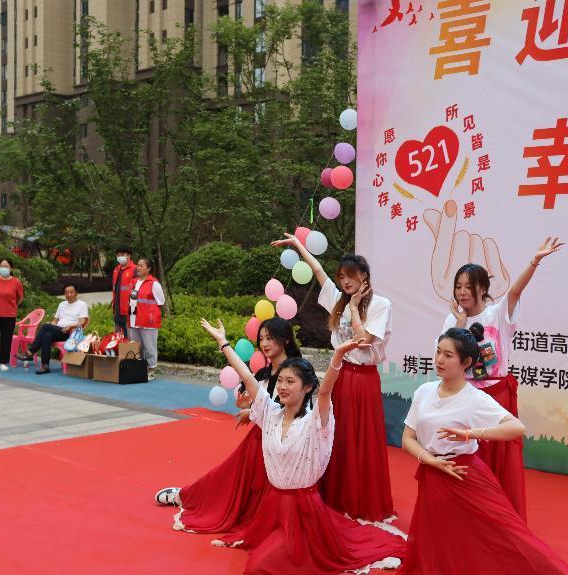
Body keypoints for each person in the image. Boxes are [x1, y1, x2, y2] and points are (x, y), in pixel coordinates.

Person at [200, 318, 406, 575]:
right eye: (281, 381)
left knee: (259, 567)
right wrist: (223, 342)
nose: (283, 387)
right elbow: (245, 375)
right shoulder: (270, 413)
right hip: (272, 508)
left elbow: (325, 392)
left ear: (307, 387)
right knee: (264, 558)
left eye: (290, 382)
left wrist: (338, 357)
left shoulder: (315, 422)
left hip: (303, 513)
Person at [400, 327, 568, 575]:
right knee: (441, 542)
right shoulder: (424, 392)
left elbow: (517, 428)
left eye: (448, 355)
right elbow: (408, 438)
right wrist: (430, 460)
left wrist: (471, 434)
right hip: (433, 475)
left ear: (466, 362)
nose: (439, 360)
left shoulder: (475, 398)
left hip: (465, 475)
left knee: (507, 537)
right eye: (438, 352)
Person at [437, 237, 563, 520]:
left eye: (468, 286)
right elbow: (446, 359)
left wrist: (535, 262)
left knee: (500, 457)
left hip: (497, 395)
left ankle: (503, 517)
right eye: (458, 286)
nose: (462, 292)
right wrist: (459, 325)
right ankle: (470, 516)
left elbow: (516, 291)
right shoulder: (453, 321)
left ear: (482, 289)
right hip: (467, 397)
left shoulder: (498, 314)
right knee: (469, 457)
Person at [272, 233, 394, 522]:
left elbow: (363, 340)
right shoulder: (338, 300)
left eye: (351, 275)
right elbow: (317, 270)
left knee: (362, 437)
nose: (345, 281)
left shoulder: (380, 304)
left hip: (364, 378)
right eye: (341, 277)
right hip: (341, 374)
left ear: (364, 276)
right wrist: (298, 245)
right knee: (336, 434)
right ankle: (338, 493)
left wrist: (353, 309)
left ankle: (363, 498)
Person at [154, 318, 302, 534]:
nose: (264, 343)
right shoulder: (264, 374)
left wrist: (252, 413)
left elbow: (289, 411)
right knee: (226, 477)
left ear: (286, 339)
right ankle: (186, 495)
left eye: (270, 338)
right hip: (260, 440)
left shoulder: (296, 372)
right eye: (261, 339)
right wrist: (249, 408)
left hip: (283, 447)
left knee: (234, 481)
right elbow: (252, 398)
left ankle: (188, 496)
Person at [15, 284, 89, 374]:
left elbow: (82, 322)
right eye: (66, 292)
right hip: (58, 330)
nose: (69, 294)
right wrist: (52, 326)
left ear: (76, 293)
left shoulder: (82, 305)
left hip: (70, 333)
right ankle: (45, 366)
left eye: (71, 292)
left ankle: (30, 352)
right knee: (47, 335)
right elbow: (55, 320)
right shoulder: (62, 304)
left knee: (45, 327)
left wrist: (71, 326)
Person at [127, 257, 165, 380]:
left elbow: (161, 302)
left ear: (148, 268)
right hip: (133, 320)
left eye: (141, 266)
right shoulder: (133, 282)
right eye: (137, 265)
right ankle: (138, 369)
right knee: (135, 346)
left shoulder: (154, 283)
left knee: (149, 347)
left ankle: (151, 370)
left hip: (148, 321)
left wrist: (150, 314)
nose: (138, 268)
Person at [110, 247, 136, 333]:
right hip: (117, 310)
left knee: (130, 337)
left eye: (122, 254)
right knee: (118, 336)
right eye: (118, 255)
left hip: (129, 310)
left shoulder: (135, 269)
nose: (120, 257)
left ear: (129, 255)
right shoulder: (116, 269)